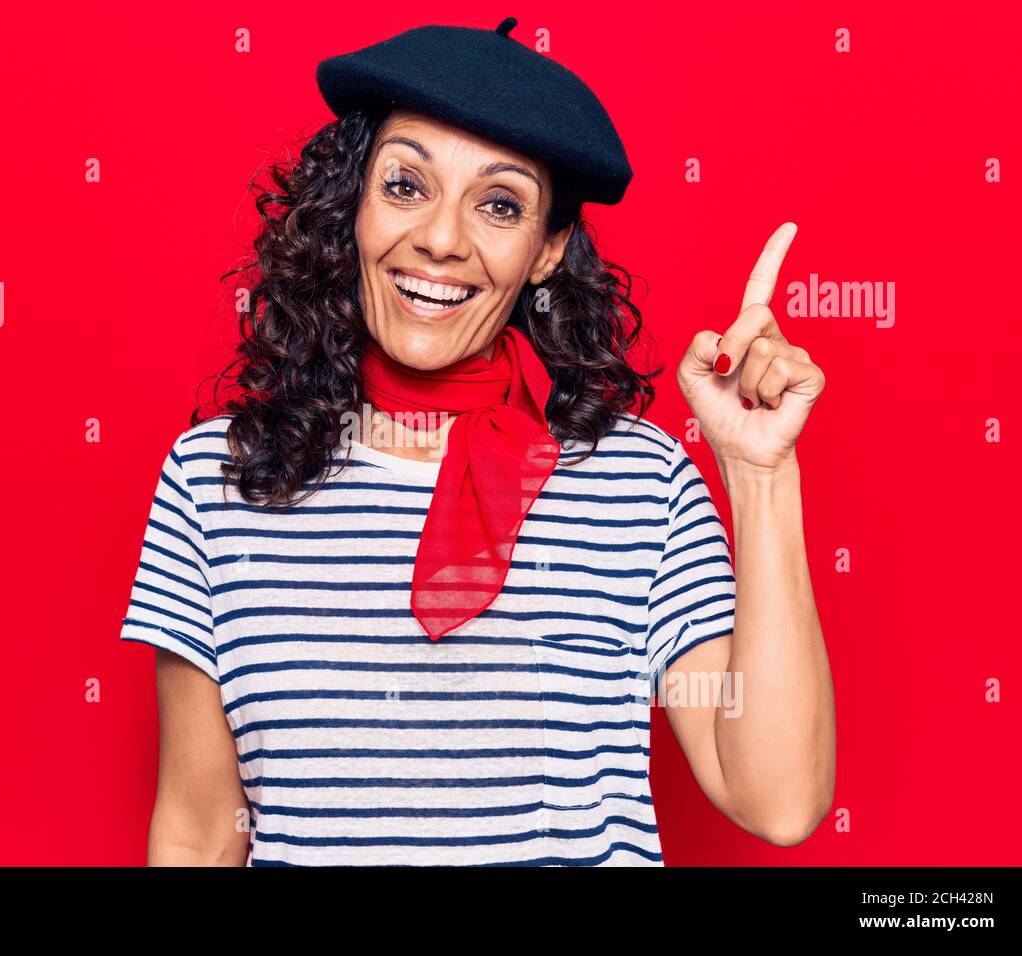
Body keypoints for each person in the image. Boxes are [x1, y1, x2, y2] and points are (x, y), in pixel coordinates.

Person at [121, 17, 834, 866]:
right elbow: (200, 835)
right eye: (405, 185)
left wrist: (760, 473)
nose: (444, 239)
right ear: (351, 206)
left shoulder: (639, 485)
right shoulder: (216, 481)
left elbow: (779, 799)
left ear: (547, 249)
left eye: (499, 204)